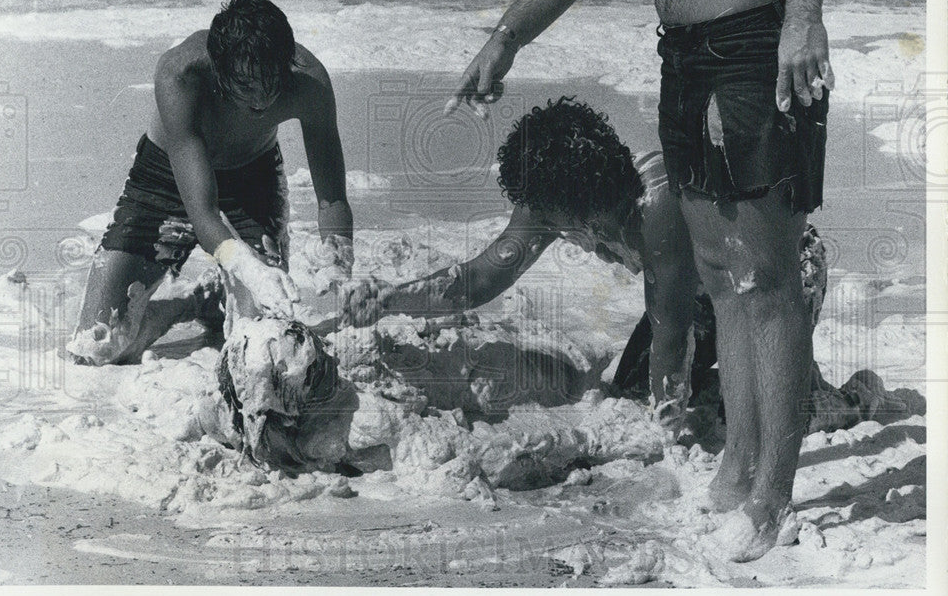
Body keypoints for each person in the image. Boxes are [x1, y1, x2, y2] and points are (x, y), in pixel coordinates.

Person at [443, 0, 836, 561]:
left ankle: (771, 498)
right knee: (721, 278)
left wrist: (805, 16)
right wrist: (507, 37)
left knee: (763, 279)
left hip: (756, 36)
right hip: (680, 51)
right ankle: (738, 469)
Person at [340, 96, 826, 426]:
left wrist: (663, 431)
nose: (553, 231)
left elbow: (671, 331)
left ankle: (820, 394)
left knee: (743, 411)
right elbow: (482, 277)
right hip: (696, 292)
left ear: (584, 209)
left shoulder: (654, 208)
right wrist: (391, 298)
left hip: (774, 274)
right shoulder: (551, 198)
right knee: (632, 394)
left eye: (562, 224)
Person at [68, 0, 354, 366]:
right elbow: (203, 213)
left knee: (258, 345)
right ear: (219, 72)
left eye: (273, 82)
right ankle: (188, 303)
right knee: (96, 347)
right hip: (165, 177)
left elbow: (331, 197)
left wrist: (339, 261)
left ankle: (210, 298)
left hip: (252, 180)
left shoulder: (307, 82)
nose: (264, 98)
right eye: (248, 87)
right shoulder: (180, 74)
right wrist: (252, 270)